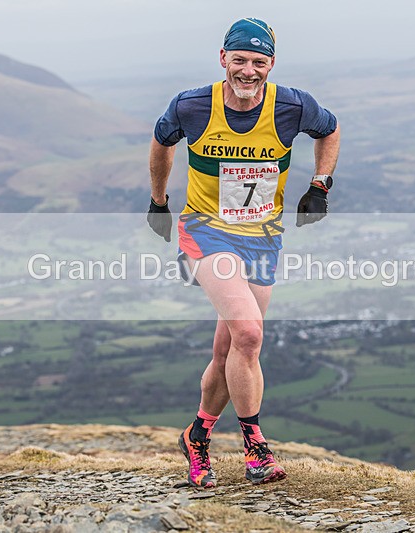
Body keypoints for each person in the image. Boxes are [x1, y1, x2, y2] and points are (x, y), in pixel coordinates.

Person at [146, 17, 340, 488]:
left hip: (263, 234)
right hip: (205, 231)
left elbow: (329, 131)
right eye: (239, 60)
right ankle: (255, 447)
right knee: (250, 334)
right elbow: (161, 143)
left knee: (229, 347)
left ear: (270, 64)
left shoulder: (293, 105)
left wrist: (320, 185)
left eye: (258, 62)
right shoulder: (192, 105)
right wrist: (159, 202)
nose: (248, 71)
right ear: (223, 59)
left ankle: (198, 436)